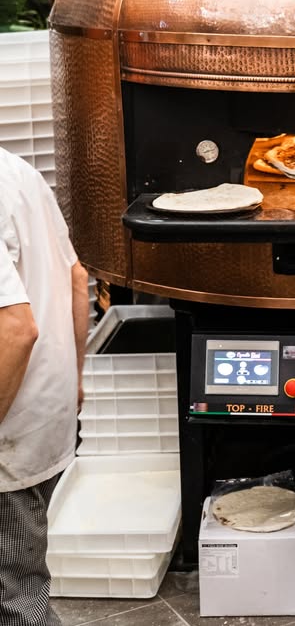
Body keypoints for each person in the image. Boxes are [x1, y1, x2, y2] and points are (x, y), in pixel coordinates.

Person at [0, 145, 88, 626]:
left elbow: (15, 329)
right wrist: (75, 378)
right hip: (46, 413)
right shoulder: (17, 171)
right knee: (25, 582)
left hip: (9, 430)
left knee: (12, 600)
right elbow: (77, 278)